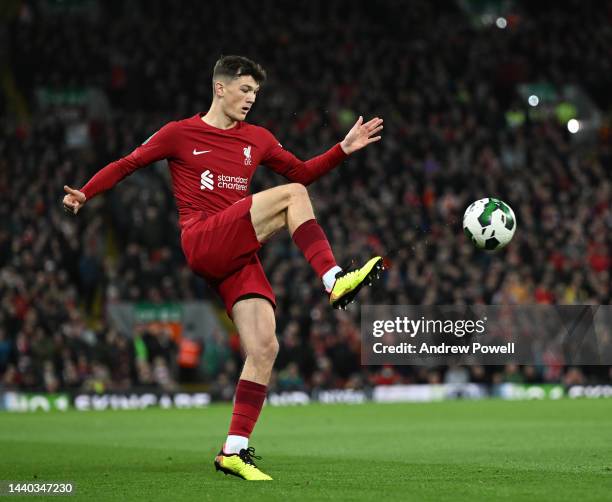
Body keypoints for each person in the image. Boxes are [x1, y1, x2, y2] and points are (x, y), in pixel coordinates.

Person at [62, 55, 384, 480]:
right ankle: (333, 279)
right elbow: (128, 164)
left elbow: (303, 173)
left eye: (256, 92)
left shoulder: (259, 138)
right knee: (289, 197)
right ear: (220, 87)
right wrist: (85, 193)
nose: (251, 99)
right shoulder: (180, 133)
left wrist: (342, 150)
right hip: (201, 238)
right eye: (245, 90)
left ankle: (234, 449)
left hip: (235, 254)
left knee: (265, 347)